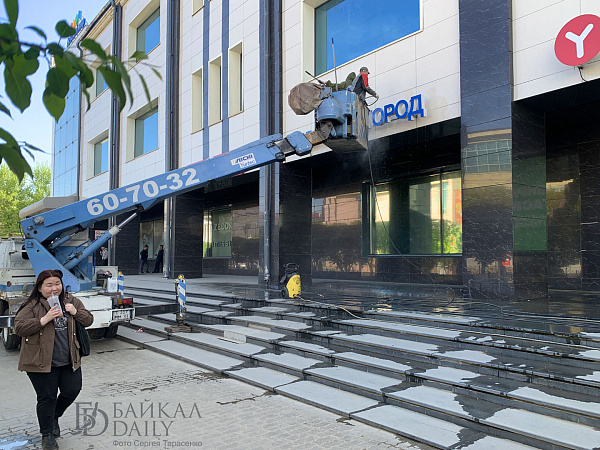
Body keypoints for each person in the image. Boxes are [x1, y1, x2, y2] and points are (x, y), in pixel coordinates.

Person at [14, 269, 94, 450]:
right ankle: (47, 434)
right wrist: (44, 319)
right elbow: (19, 327)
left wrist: (75, 312)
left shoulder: (71, 301)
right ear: (40, 287)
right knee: (47, 398)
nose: (54, 288)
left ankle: (54, 416)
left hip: (69, 360)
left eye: (57, 284)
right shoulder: (32, 304)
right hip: (40, 362)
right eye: (49, 285)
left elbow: (89, 320)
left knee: (72, 390)